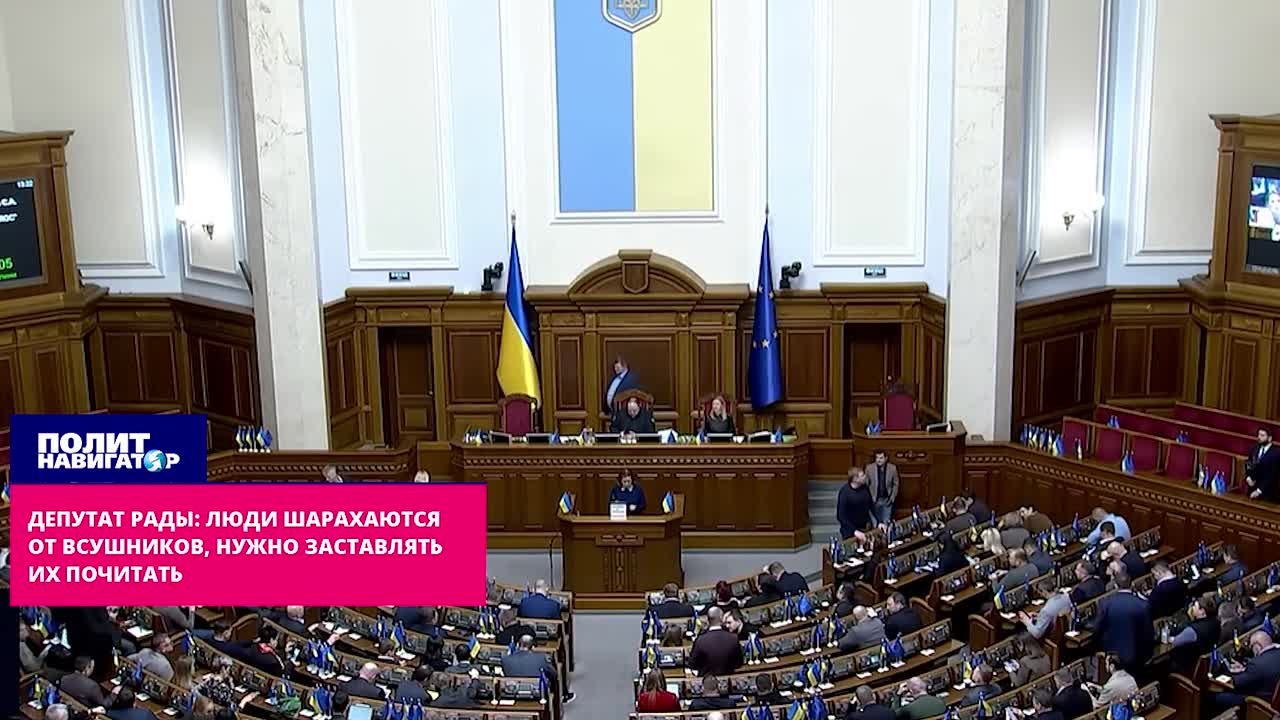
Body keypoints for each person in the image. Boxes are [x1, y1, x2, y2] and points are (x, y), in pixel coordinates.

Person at [1092, 571, 1154, 673]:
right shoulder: (1143, 605)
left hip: (1112, 653)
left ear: (1116, 585)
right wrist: (1148, 654)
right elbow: (1148, 633)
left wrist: (1097, 649)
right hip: (1136, 654)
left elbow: (1097, 628)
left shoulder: (1105, 604)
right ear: (1132, 584)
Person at [1217, 630, 1280, 709]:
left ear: (1257, 646)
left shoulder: (1257, 664)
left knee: (1220, 697)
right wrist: (1246, 669)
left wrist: (1233, 672)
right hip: (1275, 697)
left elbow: (1236, 683)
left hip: (1264, 704)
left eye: (1251, 647)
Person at [1171, 594, 1221, 674]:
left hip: (1187, 667)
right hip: (1206, 664)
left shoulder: (1193, 630)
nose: (1192, 608)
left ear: (1202, 611)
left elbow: (1175, 642)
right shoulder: (1216, 622)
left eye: (1195, 606)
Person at [689, 608, 743, 676]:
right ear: (721, 618)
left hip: (707, 680)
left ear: (708, 620)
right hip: (728, 679)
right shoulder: (733, 638)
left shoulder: (700, 640)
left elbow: (693, 665)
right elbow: (739, 663)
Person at [837, 468, 874, 539]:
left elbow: (872, 506)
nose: (865, 476)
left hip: (865, 527)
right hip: (849, 530)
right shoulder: (844, 492)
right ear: (855, 479)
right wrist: (854, 531)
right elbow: (841, 516)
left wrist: (879, 521)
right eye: (862, 475)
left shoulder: (865, 488)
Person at [865, 450, 900, 526]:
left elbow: (895, 484)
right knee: (876, 524)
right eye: (877, 458)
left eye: (881, 458)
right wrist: (869, 498)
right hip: (874, 500)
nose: (878, 460)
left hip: (887, 500)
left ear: (886, 458)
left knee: (886, 523)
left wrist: (892, 498)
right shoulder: (869, 468)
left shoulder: (892, 468)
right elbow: (866, 485)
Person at [1246, 427, 1279, 501]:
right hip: (1251, 489)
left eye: (1262, 435)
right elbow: (1249, 464)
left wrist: (1259, 491)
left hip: (1267, 493)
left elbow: (1272, 475)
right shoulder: (1254, 448)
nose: (1259, 437)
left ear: (1269, 438)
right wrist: (1248, 477)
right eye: (1259, 435)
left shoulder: (1276, 453)